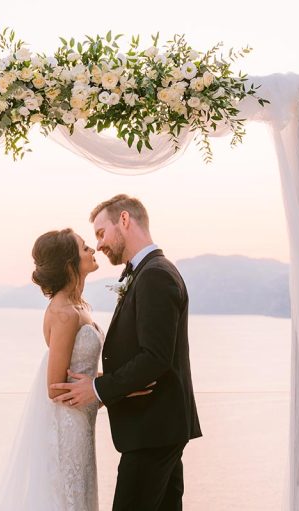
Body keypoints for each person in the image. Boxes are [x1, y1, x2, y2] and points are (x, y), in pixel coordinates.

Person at [51, 195, 202, 511]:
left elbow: (155, 357)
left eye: (101, 233)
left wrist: (96, 389)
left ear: (124, 220)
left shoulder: (155, 274)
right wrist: (115, 382)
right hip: (158, 429)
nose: (100, 245)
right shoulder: (147, 271)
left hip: (153, 429)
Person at [0, 228, 150, 510]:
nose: (91, 250)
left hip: (81, 421)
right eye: (84, 247)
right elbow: (55, 387)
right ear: (69, 263)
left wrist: (118, 386)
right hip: (69, 428)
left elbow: (80, 377)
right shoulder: (64, 313)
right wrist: (107, 392)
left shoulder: (79, 306)